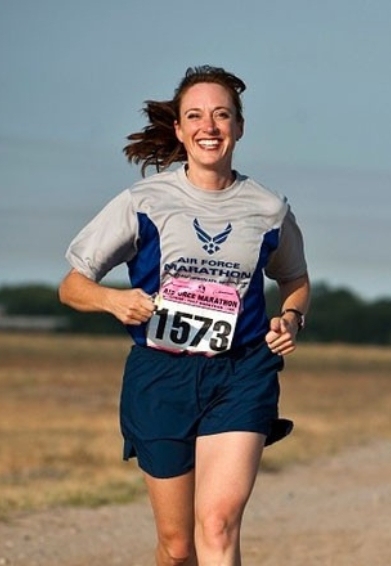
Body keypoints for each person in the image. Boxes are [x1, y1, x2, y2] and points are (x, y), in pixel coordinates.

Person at [58, 66, 310, 566]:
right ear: (179, 129)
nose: (209, 126)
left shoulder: (268, 209)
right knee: (177, 549)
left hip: (241, 372)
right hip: (161, 375)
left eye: (221, 115)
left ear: (239, 126)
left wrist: (291, 319)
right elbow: (71, 287)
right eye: (195, 116)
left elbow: (296, 281)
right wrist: (115, 301)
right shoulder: (144, 202)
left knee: (217, 526)